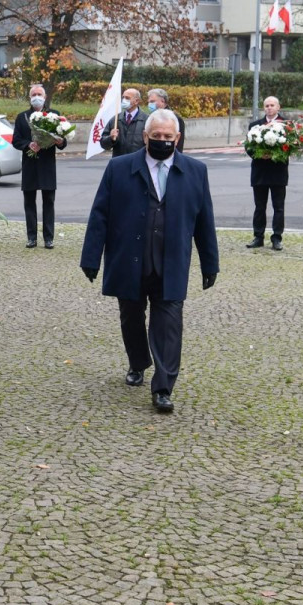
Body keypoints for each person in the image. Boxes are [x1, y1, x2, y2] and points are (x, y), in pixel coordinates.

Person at [80, 109, 219, 413]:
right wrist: (91, 257)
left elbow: (204, 220)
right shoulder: (119, 168)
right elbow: (100, 214)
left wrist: (210, 263)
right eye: (156, 136)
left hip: (171, 262)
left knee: (169, 324)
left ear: (177, 138)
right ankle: (138, 361)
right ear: (145, 136)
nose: (162, 141)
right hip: (129, 259)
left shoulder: (196, 171)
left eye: (168, 137)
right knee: (131, 318)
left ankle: (164, 387)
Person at [12, 83, 66, 248]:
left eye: (39, 94)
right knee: (29, 202)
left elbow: (63, 142)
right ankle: (31, 237)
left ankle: (48, 238)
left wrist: (58, 140)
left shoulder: (54, 115)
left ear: (45, 97)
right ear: (30, 97)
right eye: (34, 94)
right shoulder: (22, 117)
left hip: (47, 165)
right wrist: (28, 145)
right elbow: (16, 140)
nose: (37, 97)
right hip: (30, 165)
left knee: (48, 202)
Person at [247, 95, 288, 251]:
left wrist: (277, 154)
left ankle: (277, 238)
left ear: (278, 107)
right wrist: (259, 154)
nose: (269, 108)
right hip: (260, 172)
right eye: (266, 105)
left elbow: (291, 146)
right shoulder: (255, 125)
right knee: (259, 207)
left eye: (272, 105)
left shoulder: (287, 125)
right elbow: (248, 147)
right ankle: (258, 237)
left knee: (278, 207)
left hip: (278, 172)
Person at [100, 87, 148, 157]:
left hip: (138, 162)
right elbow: (104, 144)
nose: (124, 100)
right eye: (123, 97)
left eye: (127, 98)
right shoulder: (115, 119)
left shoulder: (146, 120)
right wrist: (111, 138)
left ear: (136, 101)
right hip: (119, 162)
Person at [146, 88, 186, 152]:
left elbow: (178, 145)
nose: (149, 105)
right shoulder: (150, 118)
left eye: (152, 101)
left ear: (162, 101)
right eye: (149, 102)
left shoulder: (174, 118)